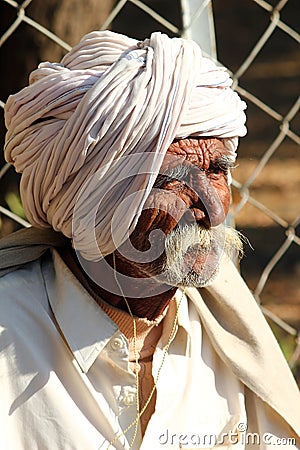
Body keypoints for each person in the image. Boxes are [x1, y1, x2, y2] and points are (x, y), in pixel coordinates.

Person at [0, 30, 299, 450]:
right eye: (171, 180)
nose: (213, 209)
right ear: (94, 197)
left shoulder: (226, 337)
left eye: (216, 171)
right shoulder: (9, 336)